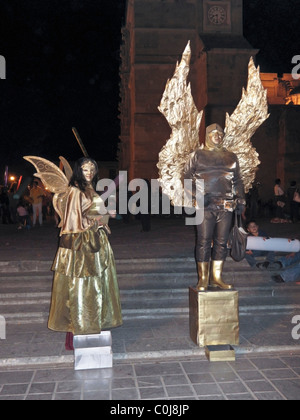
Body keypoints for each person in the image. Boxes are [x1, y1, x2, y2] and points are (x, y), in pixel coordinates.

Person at [48, 157, 122, 350]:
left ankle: (94, 322)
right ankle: (82, 327)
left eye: (92, 169)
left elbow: (92, 213)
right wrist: (100, 217)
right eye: (85, 169)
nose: (89, 173)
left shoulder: (89, 189)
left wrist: (107, 214)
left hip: (97, 243)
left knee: (97, 285)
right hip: (83, 246)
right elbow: (74, 222)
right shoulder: (75, 190)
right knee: (83, 285)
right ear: (78, 171)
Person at [183, 123, 246, 291]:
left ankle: (216, 277)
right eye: (213, 133)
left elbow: (238, 180)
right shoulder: (198, 155)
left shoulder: (231, 156)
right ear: (207, 136)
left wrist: (241, 199)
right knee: (203, 241)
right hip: (205, 205)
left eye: (220, 134)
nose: (217, 136)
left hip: (225, 206)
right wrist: (197, 195)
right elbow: (187, 178)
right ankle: (203, 278)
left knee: (221, 242)